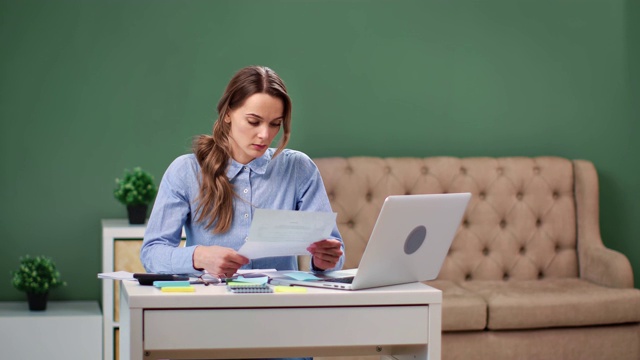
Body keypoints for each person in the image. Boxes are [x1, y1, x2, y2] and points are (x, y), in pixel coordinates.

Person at [140, 65, 344, 283]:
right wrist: (199, 256)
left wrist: (324, 261)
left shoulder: (299, 168)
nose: (265, 135)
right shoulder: (186, 171)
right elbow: (152, 253)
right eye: (253, 121)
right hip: (211, 304)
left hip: (280, 304)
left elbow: (334, 255)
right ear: (228, 113)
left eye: (275, 124)